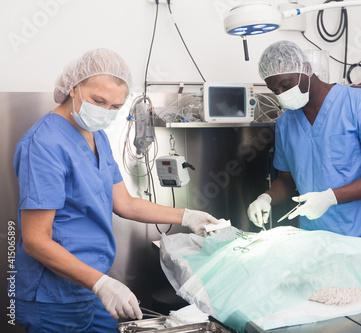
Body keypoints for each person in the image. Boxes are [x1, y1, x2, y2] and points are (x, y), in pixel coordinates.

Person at [13, 48, 220, 332]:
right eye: (98, 101)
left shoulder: (97, 136)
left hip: (93, 286)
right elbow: (35, 240)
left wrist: (187, 216)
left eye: (114, 107)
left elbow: (124, 203)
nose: (104, 112)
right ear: (73, 87)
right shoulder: (43, 144)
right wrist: (102, 284)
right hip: (55, 296)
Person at [247, 40, 361, 243]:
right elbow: (286, 180)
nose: (282, 94)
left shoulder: (360, 105)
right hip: (314, 240)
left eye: (285, 85)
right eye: (275, 91)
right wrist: (266, 198)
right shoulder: (286, 122)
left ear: (307, 69)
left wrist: (330, 197)